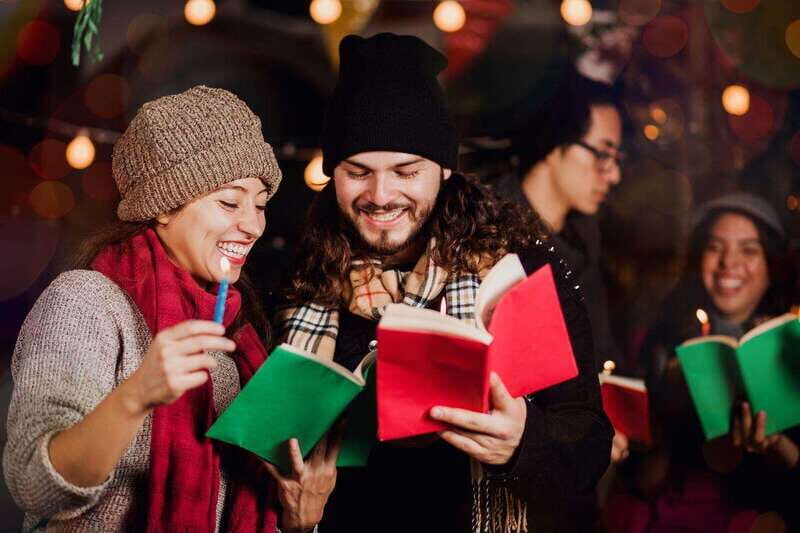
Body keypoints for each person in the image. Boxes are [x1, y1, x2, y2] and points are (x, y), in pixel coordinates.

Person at [276, 33, 612, 532]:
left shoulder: (518, 271)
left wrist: (524, 441)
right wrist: (294, 518)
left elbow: (588, 442)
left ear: (444, 168)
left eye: (405, 171)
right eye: (358, 172)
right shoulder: (299, 280)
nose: (381, 195)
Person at [3, 86, 337, 532]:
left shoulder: (238, 334)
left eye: (260, 204)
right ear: (163, 205)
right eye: (229, 202)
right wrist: (135, 397)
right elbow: (34, 486)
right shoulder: (86, 302)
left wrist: (298, 520)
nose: (254, 225)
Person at [604, 192, 799, 531]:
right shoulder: (665, 339)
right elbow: (641, 476)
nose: (728, 263)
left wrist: (775, 443)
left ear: (771, 263)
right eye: (715, 247)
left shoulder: (790, 347)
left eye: (748, 250)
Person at [491, 71, 624, 373]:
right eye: (603, 154)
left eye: (617, 159)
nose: (614, 175)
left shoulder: (584, 241)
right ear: (555, 144)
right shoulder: (487, 230)